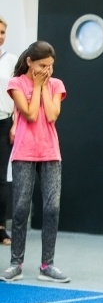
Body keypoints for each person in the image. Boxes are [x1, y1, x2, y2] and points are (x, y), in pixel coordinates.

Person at [0, 41, 68, 283]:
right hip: (24, 152)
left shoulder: (56, 84)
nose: (47, 70)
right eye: (42, 65)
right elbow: (29, 114)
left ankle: (47, 265)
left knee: (52, 208)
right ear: (30, 62)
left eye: (50, 66)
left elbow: (51, 115)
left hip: (50, 153)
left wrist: (44, 85)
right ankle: (15, 264)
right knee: (20, 209)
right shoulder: (16, 83)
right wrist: (37, 86)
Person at [0, 17, 16, 246]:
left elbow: (18, 94)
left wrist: (15, 123)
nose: (0, 36)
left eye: (2, 32)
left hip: (3, 121)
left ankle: (1, 228)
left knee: (1, 178)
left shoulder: (12, 61)